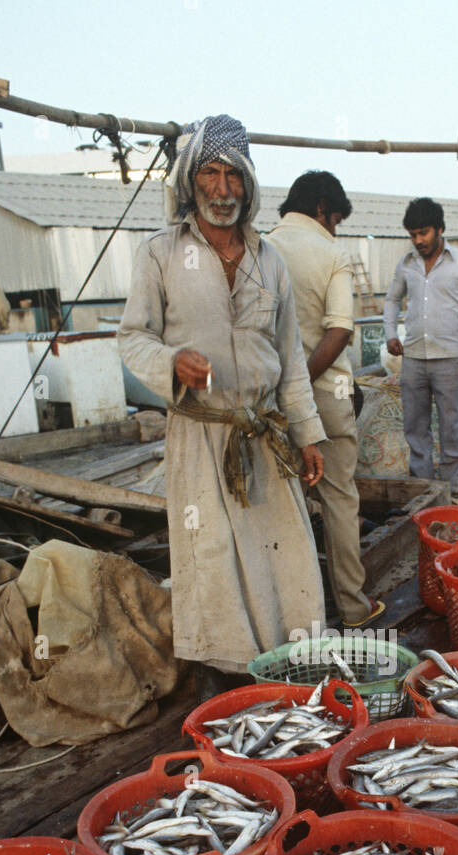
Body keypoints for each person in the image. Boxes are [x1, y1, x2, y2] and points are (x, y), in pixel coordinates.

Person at [118, 115, 326, 676]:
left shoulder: (269, 260)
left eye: (234, 175)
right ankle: (221, 673)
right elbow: (131, 337)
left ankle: (289, 664)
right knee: (209, 556)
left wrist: (307, 435)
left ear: (249, 183)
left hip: (263, 434)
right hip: (199, 432)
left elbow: (291, 363)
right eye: (210, 172)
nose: (222, 188)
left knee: (282, 558)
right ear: (190, 179)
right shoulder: (160, 254)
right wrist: (170, 363)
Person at [267, 171, 383, 626]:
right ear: (321, 208)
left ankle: (291, 614)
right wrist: (301, 380)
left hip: (269, 406)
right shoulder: (331, 253)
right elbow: (339, 330)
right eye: (334, 218)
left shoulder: (259, 249)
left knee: (282, 506)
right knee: (338, 499)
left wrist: (281, 388)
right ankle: (353, 607)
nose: (334, 228)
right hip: (326, 399)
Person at [383, 197, 458, 505]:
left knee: (451, 423)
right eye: (413, 234)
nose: (419, 241)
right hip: (413, 357)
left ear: (440, 229)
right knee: (415, 425)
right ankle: (424, 486)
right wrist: (390, 333)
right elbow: (391, 300)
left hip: (449, 358)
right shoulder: (406, 264)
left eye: (424, 233)